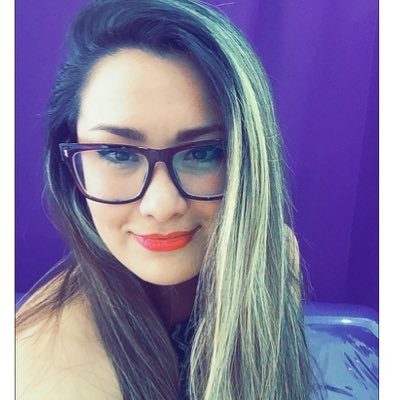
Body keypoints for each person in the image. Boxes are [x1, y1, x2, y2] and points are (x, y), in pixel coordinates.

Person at [16, 0, 320, 399]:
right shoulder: (51, 372)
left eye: (204, 152)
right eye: (117, 153)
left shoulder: (276, 257)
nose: (161, 205)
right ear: (70, 166)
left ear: (250, 160)